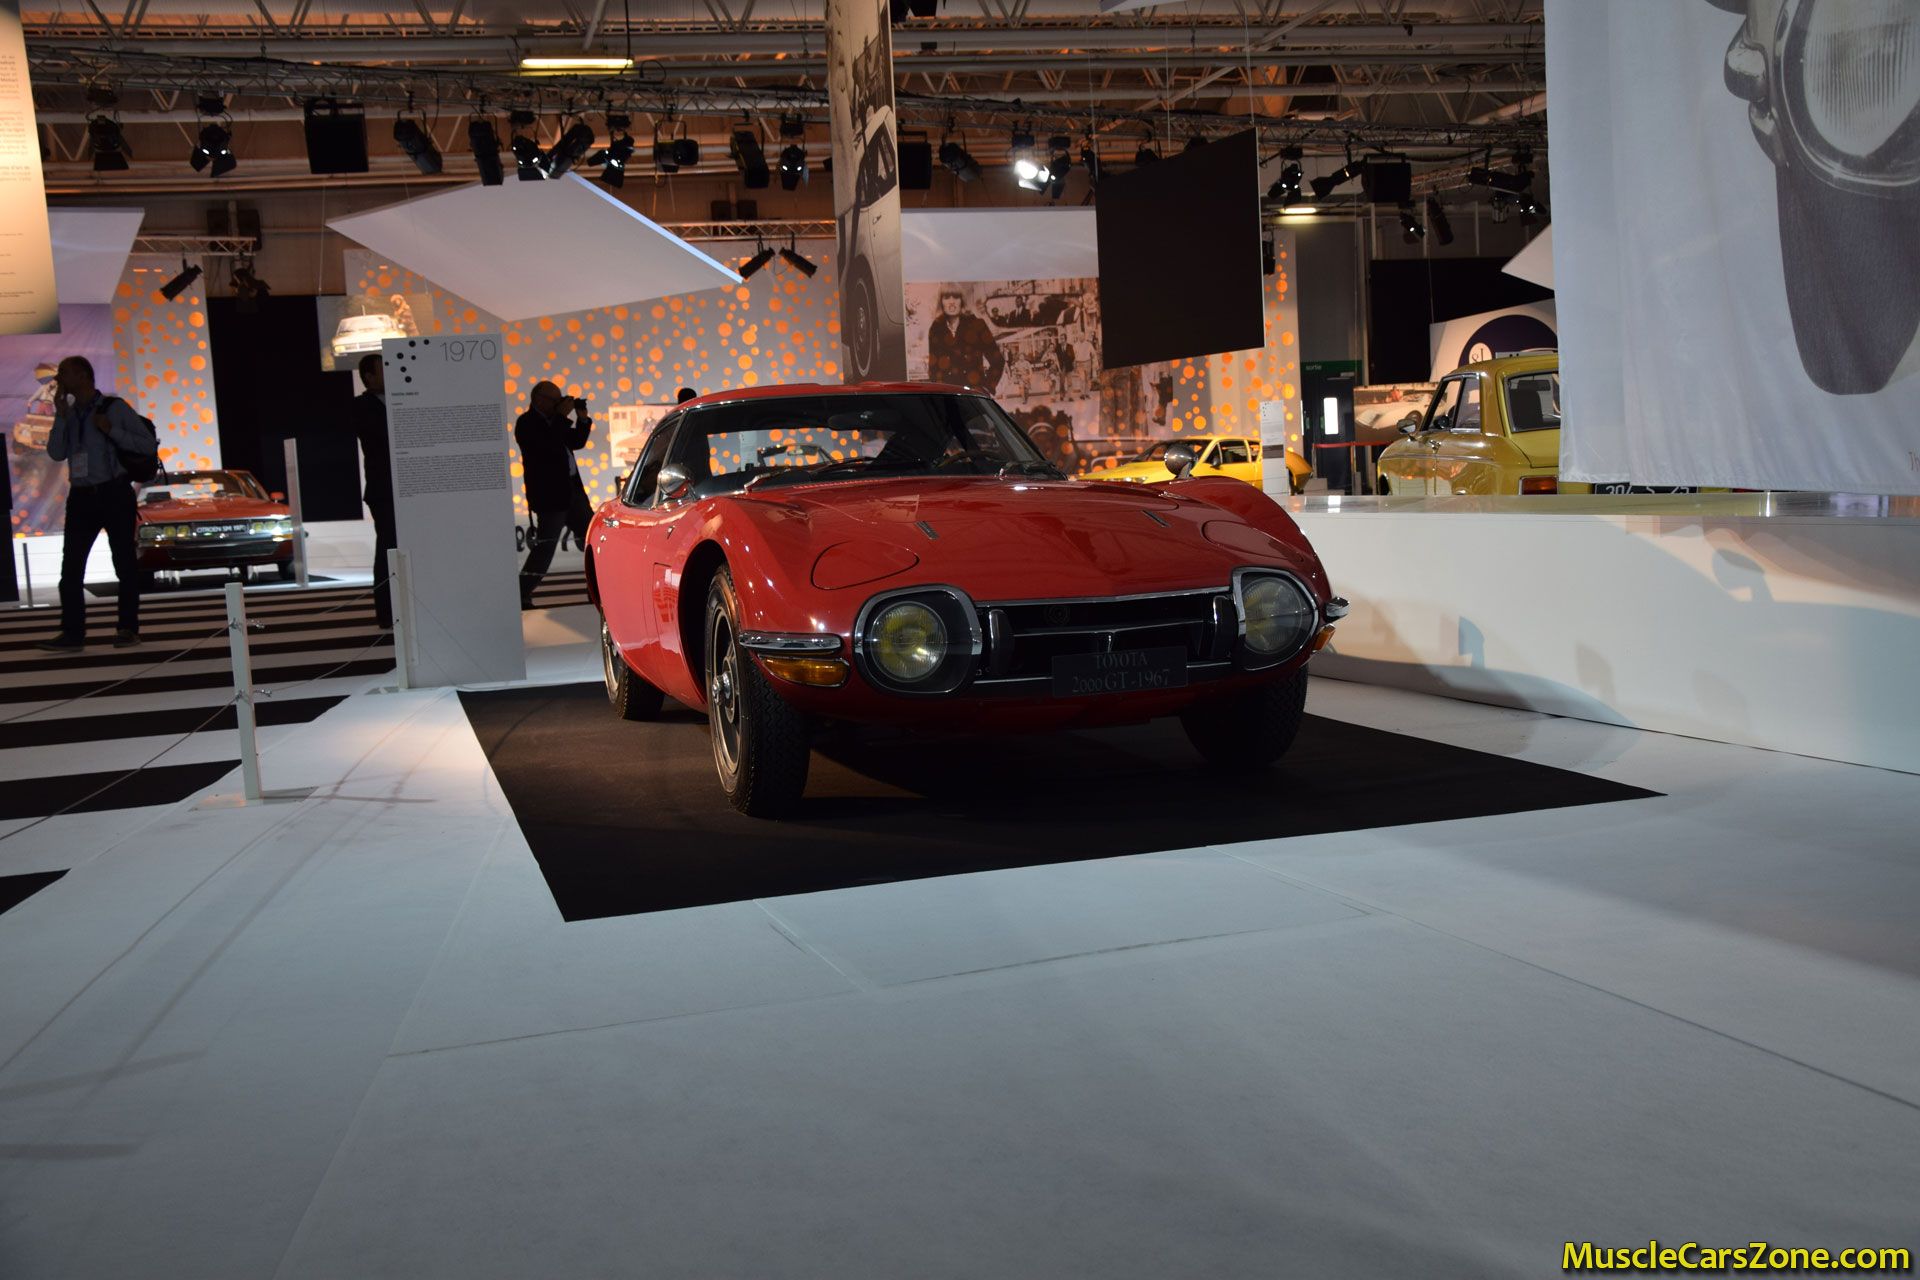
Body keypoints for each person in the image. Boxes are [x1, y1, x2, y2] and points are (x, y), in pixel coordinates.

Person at [38, 356, 157, 651]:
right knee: (71, 568)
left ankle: (127, 628)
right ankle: (72, 633)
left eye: (65, 373)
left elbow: (146, 445)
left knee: (124, 563)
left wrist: (111, 430)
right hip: (81, 496)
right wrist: (60, 415)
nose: (59, 379)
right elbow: (56, 453)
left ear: (83, 375)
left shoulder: (114, 408)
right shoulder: (69, 413)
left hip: (114, 492)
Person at [516, 380, 594, 609]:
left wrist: (582, 419)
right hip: (551, 497)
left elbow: (576, 441)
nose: (559, 404)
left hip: (573, 492)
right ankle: (520, 594)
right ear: (539, 400)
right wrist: (561, 416)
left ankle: (597, 591)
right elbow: (546, 447)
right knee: (545, 548)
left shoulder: (554, 421)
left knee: (592, 542)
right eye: (555, 400)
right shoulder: (527, 423)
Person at [350, 352, 397, 630]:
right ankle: (387, 612)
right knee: (388, 549)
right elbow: (380, 437)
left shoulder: (403, 399)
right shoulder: (361, 406)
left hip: (408, 489)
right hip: (383, 489)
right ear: (368, 376)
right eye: (383, 370)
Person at [926, 289, 1004, 391]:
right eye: (947, 297)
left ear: (962, 301)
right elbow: (933, 368)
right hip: (946, 395)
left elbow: (998, 361)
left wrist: (986, 388)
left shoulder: (977, 325)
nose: (951, 302)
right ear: (941, 302)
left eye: (956, 297)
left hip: (972, 394)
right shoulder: (936, 329)